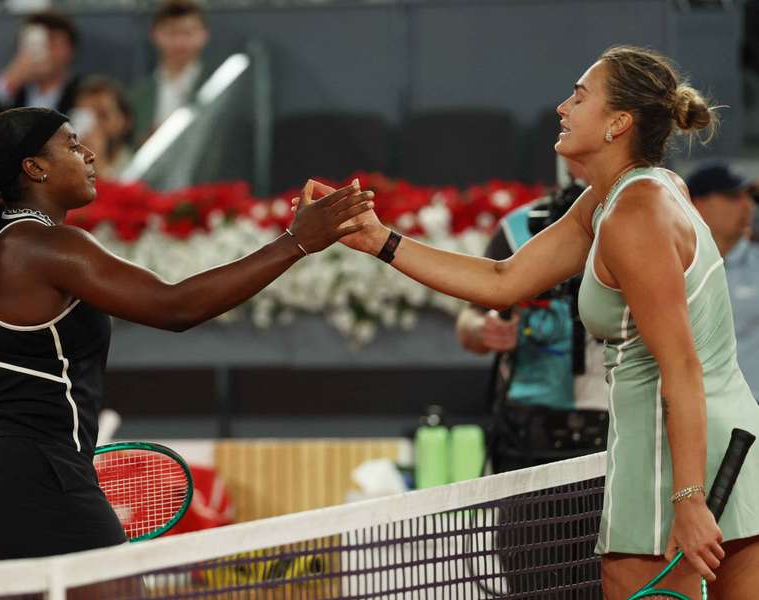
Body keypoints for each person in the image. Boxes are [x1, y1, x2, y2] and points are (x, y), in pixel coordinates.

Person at [325, 45, 759, 598]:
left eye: (580, 96)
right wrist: (379, 241)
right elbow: (503, 280)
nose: (562, 107)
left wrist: (689, 498)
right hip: (723, 442)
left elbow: (681, 367)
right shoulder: (623, 197)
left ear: (617, 124)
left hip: (672, 461)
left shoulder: (636, 215)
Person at [0, 107, 373, 561]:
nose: (88, 155)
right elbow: (176, 306)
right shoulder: (45, 246)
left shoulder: (8, 246)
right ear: (35, 167)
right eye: (71, 144)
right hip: (34, 474)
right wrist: (295, 242)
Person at [456, 158, 609, 474]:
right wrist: (484, 329)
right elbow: (468, 321)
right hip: (527, 428)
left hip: (617, 421)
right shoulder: (517, 229)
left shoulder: (639, 225)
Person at [687, 162, 759, 400]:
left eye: (748, 197)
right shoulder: (671, 267)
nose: (746, 205)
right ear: (697, 203)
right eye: (732, 197)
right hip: (687, 412)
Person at [0, 10, 81, 142]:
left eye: (52, 42)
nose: (44, 51)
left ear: (70, 49)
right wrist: (10, 80)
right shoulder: (13, 96)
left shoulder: (83, 93)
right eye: (37, 44)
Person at [129, 0, 210, 145]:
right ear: (155, 35)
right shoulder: (138, 96)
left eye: (188, 33)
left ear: (203, 35)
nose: (180, 42)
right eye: (172, 33)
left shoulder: (215, 86)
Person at [69, 75, 134, 180]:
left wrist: (99, 162)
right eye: (85, 117)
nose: (92, 127)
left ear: (125, 121)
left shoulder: (138, 167)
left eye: (102, 116)